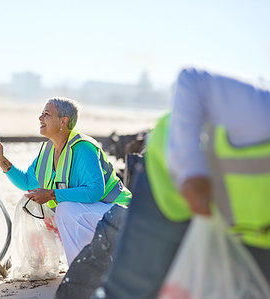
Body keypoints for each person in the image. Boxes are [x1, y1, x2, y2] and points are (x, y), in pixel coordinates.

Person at [91, 68, 270, 299]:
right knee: (132, 288)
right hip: (171, 181)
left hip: (247, 226)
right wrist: (192, 174)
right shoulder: (261, 111)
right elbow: (192, 80)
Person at [0, 97, 132, 265]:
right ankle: (61, 264)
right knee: (37, 207)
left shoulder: (83, 148)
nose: (40, 118)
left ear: (63, 121)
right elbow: (27, 182)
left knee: (64, 208)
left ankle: (80, 268)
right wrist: (1, 160)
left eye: (46, 114)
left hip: (121, 215)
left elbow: (95, 191)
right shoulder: (48, 150)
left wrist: (52, 194)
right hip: (95, 216)